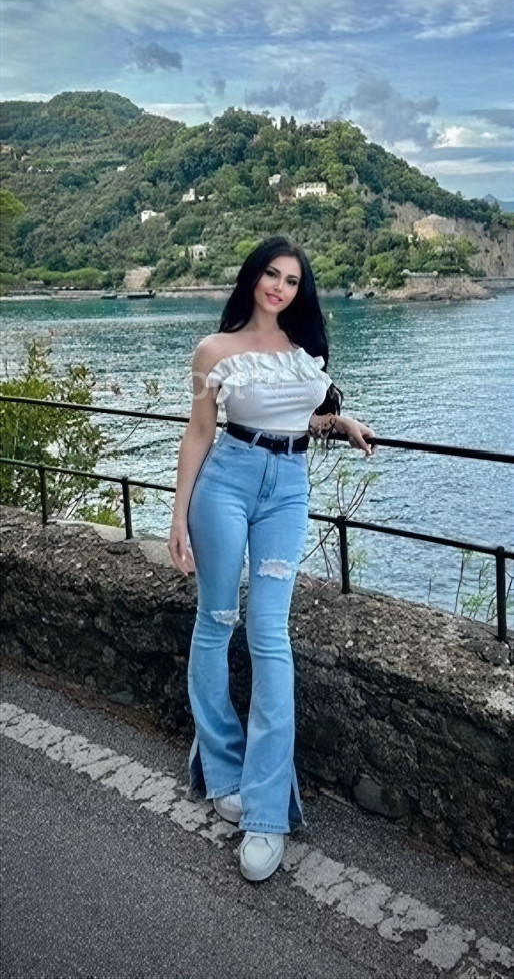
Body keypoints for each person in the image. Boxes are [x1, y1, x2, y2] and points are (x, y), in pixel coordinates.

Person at [168, 235, 374, 882]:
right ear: (253, 277)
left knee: (270, 634)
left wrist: (339, 423)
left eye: (292, 280)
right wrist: (177, 517)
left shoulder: (303, 351)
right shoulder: (214, 351)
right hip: (225, 484)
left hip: (287, 488)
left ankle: (266, 811)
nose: (280, 287)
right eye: (272, 275)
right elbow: (200, 432)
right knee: (216, 620)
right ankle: (222, 769)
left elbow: (296, 416)